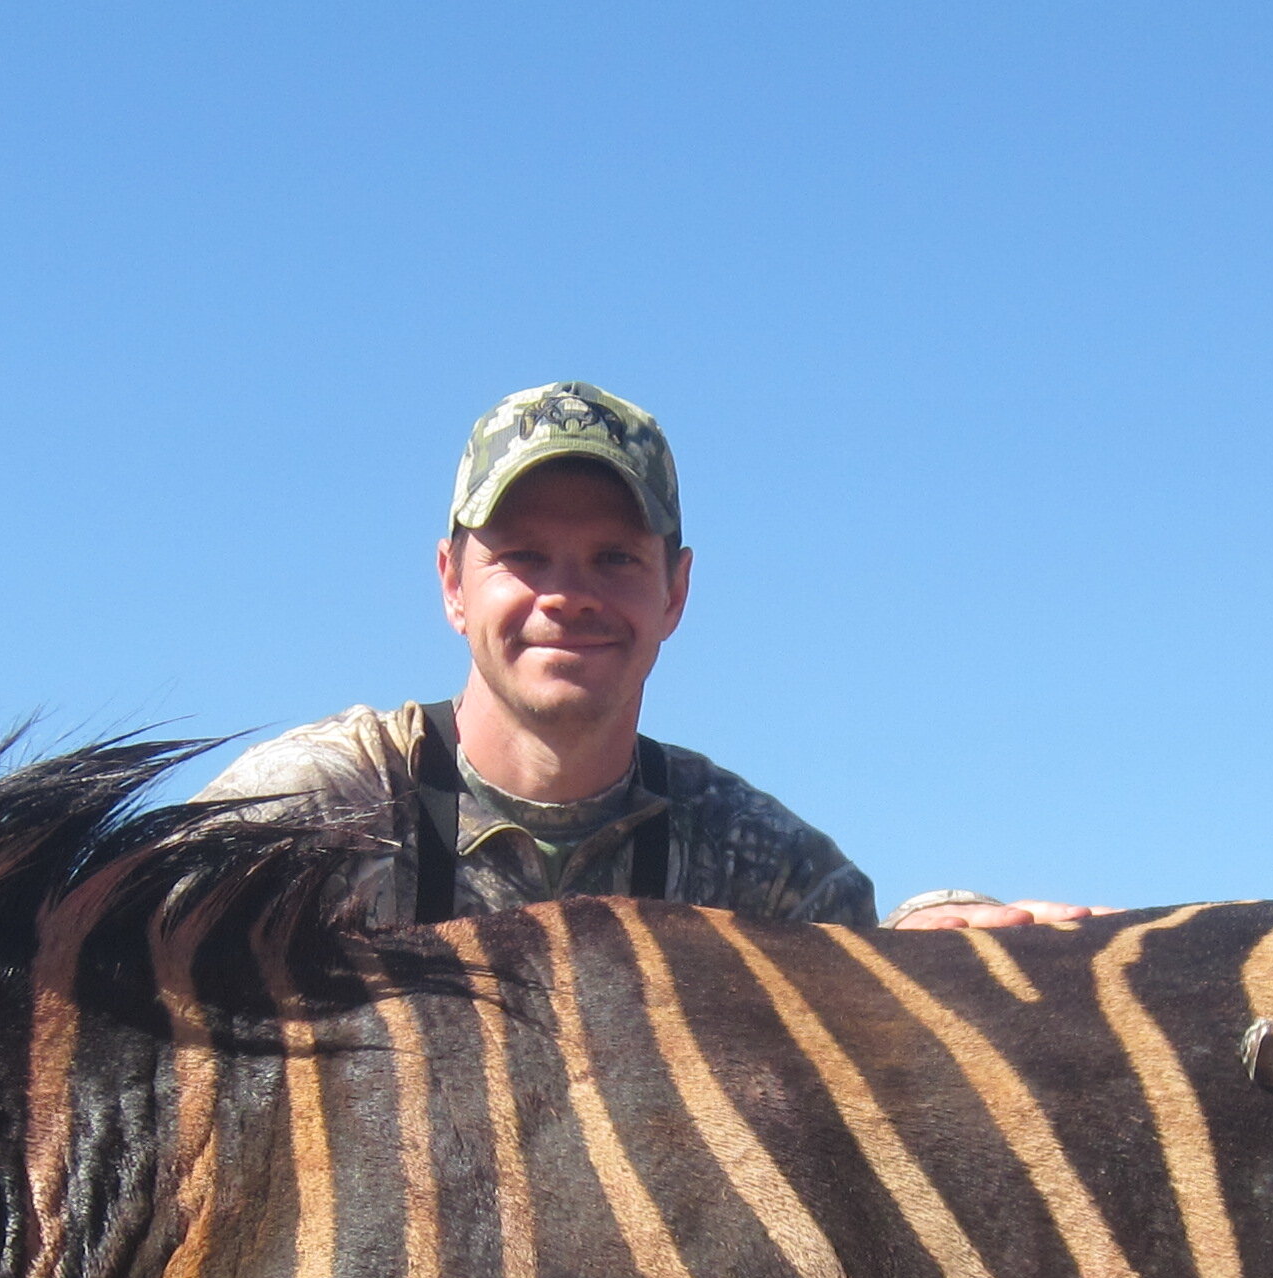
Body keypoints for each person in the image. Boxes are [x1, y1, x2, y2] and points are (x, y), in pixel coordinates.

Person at [205, 383, 1095, 934]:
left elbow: (860, 972)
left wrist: (934, 934)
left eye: (616, 558)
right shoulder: (303, 813)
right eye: (524, 556)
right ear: (452, 583)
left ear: (675, 592)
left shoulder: (754, 861)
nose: (570, 594)